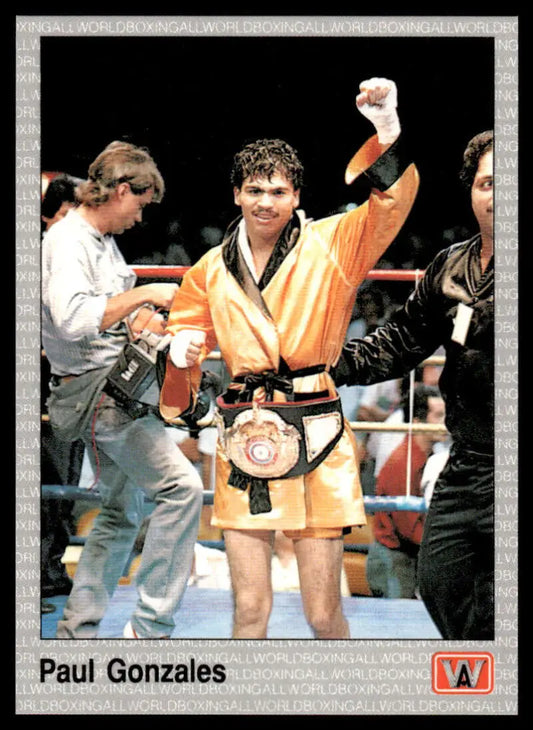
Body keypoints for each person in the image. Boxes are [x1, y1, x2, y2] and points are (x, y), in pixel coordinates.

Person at [160, 77, 420, 639]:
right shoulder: (208, 267)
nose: (265, 202)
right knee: (248, 612)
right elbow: (187, 329)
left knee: (323, 614)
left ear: (297, 196)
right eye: (255, 190)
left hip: (315, 426)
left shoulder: (333, 244)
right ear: (236, 195)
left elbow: (391, 204)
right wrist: (181, 347)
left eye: (278, 192)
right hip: (245, 430)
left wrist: (386, 129)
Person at [334, 130, 494, 639]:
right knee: (442, 581)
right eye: (488, 182)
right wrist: (326, 363)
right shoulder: (452, 266)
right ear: (472, 191)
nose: (498, 194)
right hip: (469, 459)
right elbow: (400, 340)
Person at [42, 141, 204, 638]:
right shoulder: (68, 241)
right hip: (98, 395)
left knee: (120, 513)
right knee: (183, 489)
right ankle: (151, 628)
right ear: (119, 190)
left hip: (117, 387)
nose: (141, 216)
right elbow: (72, 320)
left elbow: (108, 311)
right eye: (140, 202)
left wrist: (152, 325)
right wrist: (147, 292)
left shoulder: (99, 242)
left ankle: (77, 630)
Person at [41, 173, 84, 615]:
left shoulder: (83, 254)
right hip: (42, 382)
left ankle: (49, 572)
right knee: (43, 482)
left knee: (64, 484)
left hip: (70, 384)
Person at [366, 384, 446, 598]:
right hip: (394, 559)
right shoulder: (403, 464)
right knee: (398, 628)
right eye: (438, 416)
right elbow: (407, 527)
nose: (445, 424)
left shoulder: (431, 458)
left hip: (408, 556)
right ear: (418, 422)